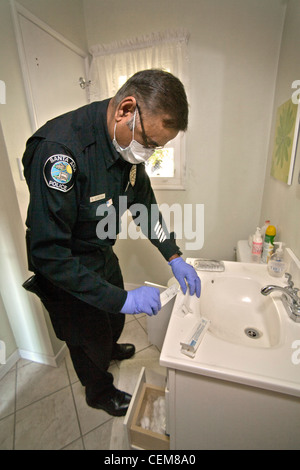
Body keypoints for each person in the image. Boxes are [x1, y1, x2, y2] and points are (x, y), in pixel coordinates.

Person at [22, 69, 201, 417]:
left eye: (157, 148)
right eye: (149, 143)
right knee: (88, 340)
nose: (149, 153)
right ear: (126, 109)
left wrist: (174, 256)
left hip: (100, 252)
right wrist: (123, 298)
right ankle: (99, 391)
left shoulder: (126, 146)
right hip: (67, 270)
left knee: (112, 321)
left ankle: (110, 345)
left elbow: (144, 208)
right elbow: (48, 254)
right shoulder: (60, 153)